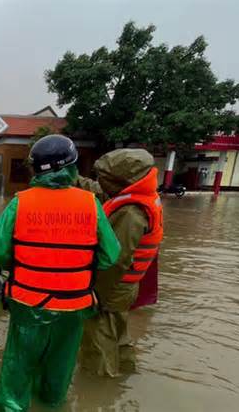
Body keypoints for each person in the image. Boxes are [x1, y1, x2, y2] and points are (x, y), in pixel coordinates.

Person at [0, 135, 121, 410]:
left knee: (19, 364)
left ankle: (12, 406)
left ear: (35, 170)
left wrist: (25, 264)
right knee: (60, 364)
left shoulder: (20, 202)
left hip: (27, 302)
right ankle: (50, 402)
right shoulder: (90, 204)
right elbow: (111, 255)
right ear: (72, 168)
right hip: (74, 305)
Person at [77, 148, 163, 377]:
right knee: (117, 332)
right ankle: (125, 372)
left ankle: (99, 388)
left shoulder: (130, 213)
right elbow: (98, 191)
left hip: (113, 286)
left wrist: (94, 294)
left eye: (104, 178)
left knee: (98, 339)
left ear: (121, 181)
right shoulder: (139, 194)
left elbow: (115, 261)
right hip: (126, 286)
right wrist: (71, 177)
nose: (99, 183)